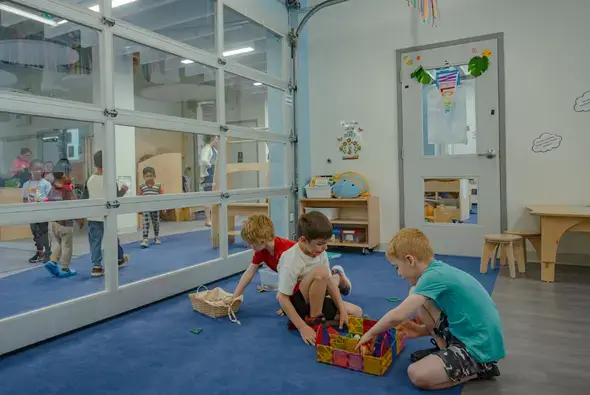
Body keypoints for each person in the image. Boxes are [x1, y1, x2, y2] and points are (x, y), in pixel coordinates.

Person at [356, 228, 504, 390]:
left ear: (410, 260)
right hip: (470, 335)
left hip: (478, 348)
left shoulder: (432, 277)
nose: (398, 274)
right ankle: (444, 349)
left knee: (417, 374)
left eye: (396, 267)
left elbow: (397, 316)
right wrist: (420, 330)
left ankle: (481, 369)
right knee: (416, 294)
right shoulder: (436, 270)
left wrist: (371, 333)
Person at [276, 211, 362, 345]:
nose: (325, 247)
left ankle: (316, 321)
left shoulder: (320, 252)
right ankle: (312, 320)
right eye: (321, 243)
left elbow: (328, 282)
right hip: (297, 302)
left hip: (316, 297)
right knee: (321, 271)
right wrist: (302, 327)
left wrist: (342, 309)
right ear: (303, 240)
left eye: (326, 243)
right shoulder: (291, 260)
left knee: (356, 312)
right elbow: (282, 298)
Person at [83, 150, 130, 277]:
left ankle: (96, 267)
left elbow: (84, 198)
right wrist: (123, 190)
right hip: (108, 216)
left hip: (93, 216)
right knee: (113, 239)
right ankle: (119, 259)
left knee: (95, 242)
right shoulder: (110, 181)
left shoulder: (90, 180)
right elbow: (115, 198)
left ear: (95, 163)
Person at [43, 159, 81, 278]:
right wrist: (80, 220)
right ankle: (65, 268)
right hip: (66, 224)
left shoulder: (52, 189)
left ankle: (53, 261)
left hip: (54, 223)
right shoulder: (67, 191)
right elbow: (75, 206)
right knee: (67, 247)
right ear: (64, 175)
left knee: (60, 243)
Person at [22, 159, 52, 263]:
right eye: (36, 169)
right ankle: (39, 251)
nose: (38, 171)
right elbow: (25, 199)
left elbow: (51, 197)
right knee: (35, 233)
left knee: (44, 232)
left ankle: (48, 252)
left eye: (40, 169)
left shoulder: (46, 184)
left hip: (43, 212)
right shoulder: (26, 184)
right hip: (31, 212)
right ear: (30, 170)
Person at [138, 166, 163, 248]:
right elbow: (139, 198)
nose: (149, 178)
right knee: (145, 223)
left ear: (154, 176)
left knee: (156, 223)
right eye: (147, 176)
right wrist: (139, 208)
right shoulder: (142, 187)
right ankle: (145, 239)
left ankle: (156, 237)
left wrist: (164, 207)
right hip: (146, 207)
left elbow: (162, 197)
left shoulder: (158, 186)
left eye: (151, 176)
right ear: (144, 177)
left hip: (155, 207)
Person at [199, 135, 218, 227]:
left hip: (214, 174)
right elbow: (204, 160)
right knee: (208, 197)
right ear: (213, 138)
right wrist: (210, 166)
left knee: (214, 197)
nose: (217, 141)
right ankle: (208, 219)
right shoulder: (206, 149)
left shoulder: (214, 149)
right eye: (217, 138)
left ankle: (212, 218)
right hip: (209, 175)